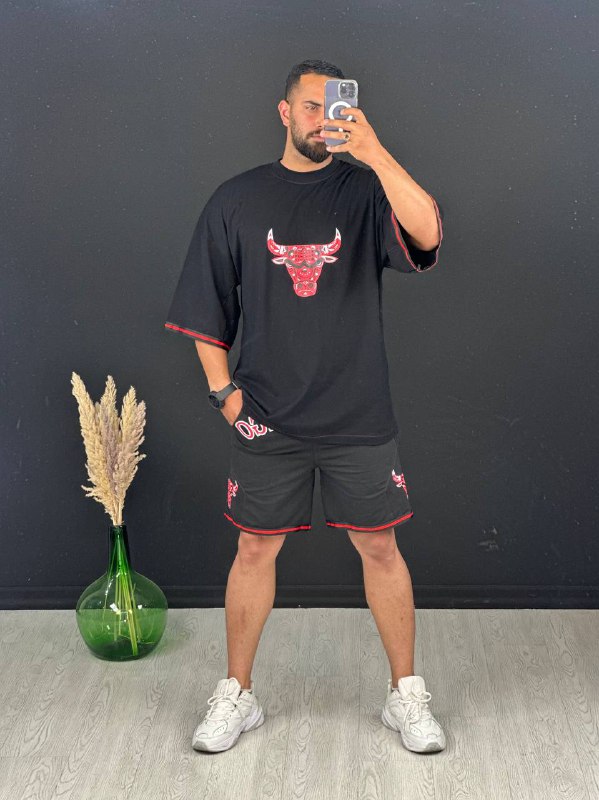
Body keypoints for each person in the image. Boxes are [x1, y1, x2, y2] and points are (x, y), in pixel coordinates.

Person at [164, 60, 446, 755]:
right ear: (284, 112)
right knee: (253, 548)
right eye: (311, 106)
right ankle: (237, 693)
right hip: (266, 414)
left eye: (335, 106)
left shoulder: (366, 190)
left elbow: (428, 233)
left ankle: (405, 695)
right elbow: (205, 306)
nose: (324, 118)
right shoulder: (236, 200)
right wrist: (225, 396)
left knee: (380, 546)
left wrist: (374, 152)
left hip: (357, 412)